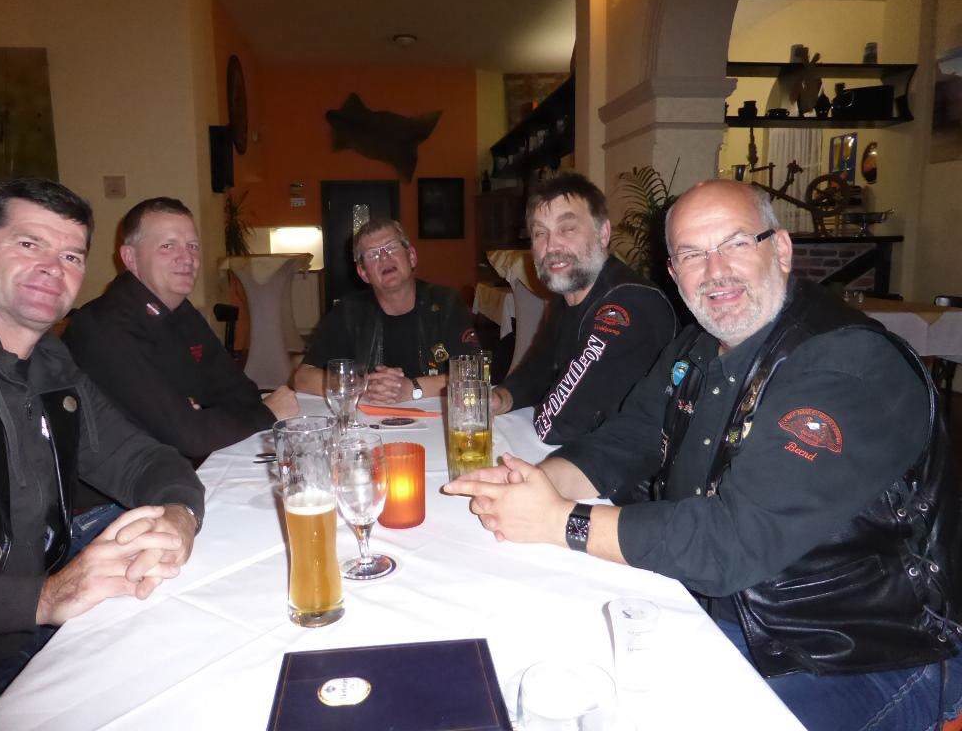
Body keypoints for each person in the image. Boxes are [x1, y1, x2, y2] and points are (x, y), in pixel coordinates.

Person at [446, 179, 962, 730]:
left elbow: (735, 540)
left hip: (860, 650)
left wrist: (561, 521)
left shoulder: (845, 365)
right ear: (674, 273)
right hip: (720, 608)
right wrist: (533, 484)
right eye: (692, 254)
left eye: (735, 243)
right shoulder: (697, 347)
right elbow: (629, 438)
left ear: (781, 249)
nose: (715, 271)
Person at [0, 178, 206, 730]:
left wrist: (180, 515)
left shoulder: (51, 365)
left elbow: (142, 458)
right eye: (28, 244)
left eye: (71, 256)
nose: (52, 268)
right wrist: (46, 597)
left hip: (42, 628)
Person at [63, 197, 299, 466]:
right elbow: (191, 437)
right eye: (167, 246)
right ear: (130, 258)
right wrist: (267, 412)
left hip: (178, 466)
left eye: (192, 246)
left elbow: (239, 391)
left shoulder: (182, 312)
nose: (187, 258)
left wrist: (201, 417)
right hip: (121, 486)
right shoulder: (103, 326)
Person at [491, 173, 676, 444]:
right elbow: (539, 369)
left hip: (637, 466)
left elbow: (557, 424)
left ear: (603, 234)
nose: (551, 246)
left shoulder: (628, 305)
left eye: (567, 229)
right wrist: (501, 398)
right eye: (540, 233)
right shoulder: (567, 297)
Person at [293, 217, 477, 403]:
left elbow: (473, 372)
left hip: (437, 416)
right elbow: (302, 377)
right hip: (369, 418)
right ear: (363, 273)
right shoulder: (348, 312)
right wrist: (363, 386)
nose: (384, 258)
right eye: (372, 254)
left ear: (411, 256)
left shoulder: (446, 303)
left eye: (391, 247)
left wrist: (412, 388)